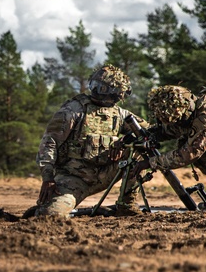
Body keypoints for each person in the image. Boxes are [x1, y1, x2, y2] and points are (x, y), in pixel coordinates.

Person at [34, 65, 148, 217]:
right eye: (94, 85)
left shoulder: (120, 114)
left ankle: (126, 206)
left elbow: (148, 132)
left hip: (105, 174)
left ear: (117, 93)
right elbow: (49, 143)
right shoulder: (73, 110)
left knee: (140, 151)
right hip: (74, 179)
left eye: (102, 88)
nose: (95, 91)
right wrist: (48, 178)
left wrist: (125, 141)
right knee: (50, 215)